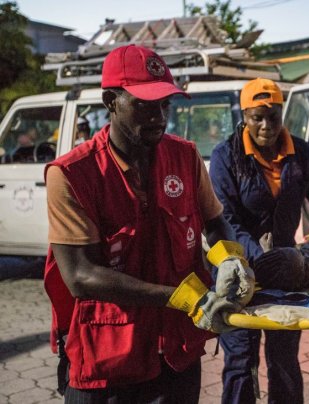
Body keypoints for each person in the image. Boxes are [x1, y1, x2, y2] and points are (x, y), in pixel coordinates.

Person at [44, 45, 248, 403]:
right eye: (144, 105)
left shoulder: (184, 157)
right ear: (111, 101)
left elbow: (214, 221)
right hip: (109, 359)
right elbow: (80, 276)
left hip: (176, 351)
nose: (158, 116)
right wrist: (181, 298)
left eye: (165, 104)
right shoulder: (73, 174)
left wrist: (229, 258)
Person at [209, 77, 309, 404]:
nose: (267, 125)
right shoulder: (227, 156)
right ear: (245, 115)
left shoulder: (300, 152)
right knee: (240, 361)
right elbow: (226, 220)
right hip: (239, 273)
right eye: (258, 117)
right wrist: (255, 263)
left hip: (286, 274)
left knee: (283, 361)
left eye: (274, 116)